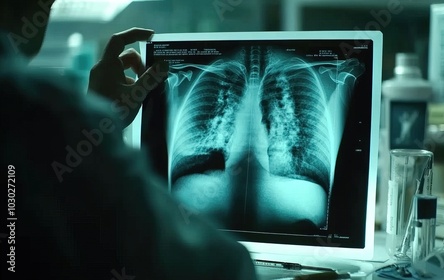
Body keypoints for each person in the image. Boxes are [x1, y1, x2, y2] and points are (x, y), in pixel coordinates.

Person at [0, 0, 257, 279]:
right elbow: (222, 266)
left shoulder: (42, 113)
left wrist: (94, 123)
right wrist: (86, 125)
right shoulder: (36, 109)